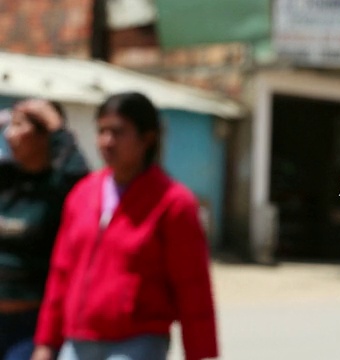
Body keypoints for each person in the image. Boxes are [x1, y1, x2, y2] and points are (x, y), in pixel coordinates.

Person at [32, 92, 219, 360]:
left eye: (118, 132)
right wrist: (46, 343)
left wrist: (200, 354)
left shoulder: (172, 203)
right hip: (77, 341)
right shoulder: (82, 195)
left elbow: (193, 287)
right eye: (102, 131)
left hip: (136, 343)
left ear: (147, 138)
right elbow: (61, 273)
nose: (107, 142)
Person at [0, 99, 89, 360]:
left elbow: (80, 176)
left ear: (45, 136)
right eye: (9, 125)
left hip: (32, 326)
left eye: (19, 126)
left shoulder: (59, 188)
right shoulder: (5, 179)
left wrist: (56, 124)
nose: (8, 134)